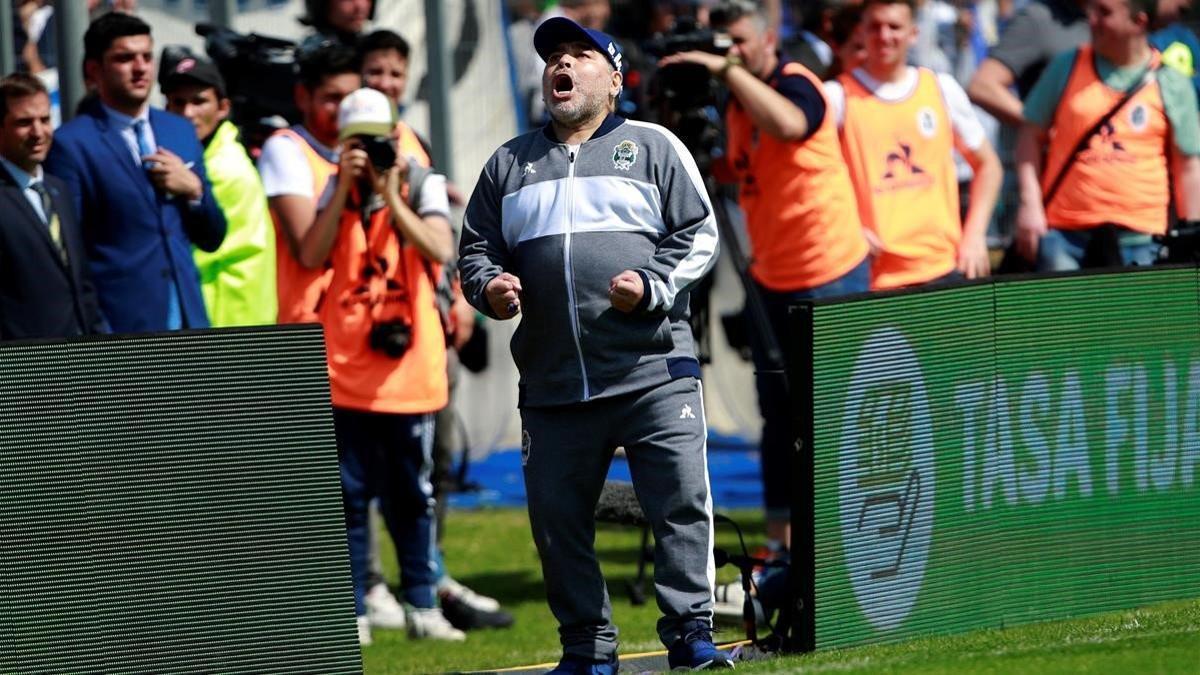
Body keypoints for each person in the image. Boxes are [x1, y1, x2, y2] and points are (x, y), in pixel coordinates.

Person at [460, 17, 728, 673]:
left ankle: (691, 635)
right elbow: (474, 251)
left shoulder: (656, 146)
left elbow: (700, 234)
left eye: (580, 55)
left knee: (680, 504)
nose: (563, 65)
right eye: (554, 56)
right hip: (553, 384)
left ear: (613, 79)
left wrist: (655, 285)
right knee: (557, 523)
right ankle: (586, 648)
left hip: (653, 371)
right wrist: (490, 287)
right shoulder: (507, 164)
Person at [659, 0, 869, 577]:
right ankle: (782, 543)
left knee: (828, 411)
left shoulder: (797, 82)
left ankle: (843, 534)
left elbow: (791, 125)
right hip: (770, 275)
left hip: (828, 271)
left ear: (769, 36)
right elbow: (738, 170)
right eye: (723, 43)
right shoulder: (735, 103)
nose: (732, 53)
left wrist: (727, 71)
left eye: (740, 42)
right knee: (776, 414)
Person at [357, 28, 514, 633]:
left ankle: (428, 572)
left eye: (395, 73)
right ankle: (373, 584)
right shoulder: (335, 152)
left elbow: (439, 245)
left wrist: (458, 306)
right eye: (375, 72)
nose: (386, 83)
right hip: (364, 341)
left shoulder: (412, 146)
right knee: (364, 474)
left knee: (433, 465)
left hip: (425, 330)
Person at [319, 87, 462, 645]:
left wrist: (390, 192)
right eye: (358, 143)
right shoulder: (333, 186)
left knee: (412, 496)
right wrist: (342, 190)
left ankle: (423, 604)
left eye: (377, 141)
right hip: (346, 369)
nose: (369, 152)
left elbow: (440, 247)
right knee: (349, 496)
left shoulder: (419, 180)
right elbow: (311, 254)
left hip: (410, 374)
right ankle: (354, 607)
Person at [45, 12, 225, 333]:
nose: (141, 67)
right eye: (125, 58)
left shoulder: (179, 130)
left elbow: (212, 237)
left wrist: (195, 191)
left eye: (146, 56)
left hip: (189, 318)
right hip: (122, 327)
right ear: (94, 70)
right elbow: (69, 253)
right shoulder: (72, 145)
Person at [826, 0, 1002, 290]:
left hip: (944, 266)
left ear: (913, 33)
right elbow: (812, 177)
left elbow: (988, 165)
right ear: (860, 32)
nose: (884, 36)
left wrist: (974, 235)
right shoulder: (836, 97)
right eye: (875, 27)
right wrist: (847, 226)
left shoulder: (940, 88)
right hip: (873, 276)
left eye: (894, 27)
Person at [1014, 0, 1200, 269]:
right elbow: (1029, 136)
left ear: (1139, 22)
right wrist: (1029, 205)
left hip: (1142, 240)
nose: (1092, 19)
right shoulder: (1066, 66)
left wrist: (1190, 233)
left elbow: (1189, 167)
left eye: (1105, 12)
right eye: (1092, 10)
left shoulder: (1170, 80)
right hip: (1066, 237)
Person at [161, 53, 277, 327]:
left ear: (223, 107)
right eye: (178, 102)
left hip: (230, 318)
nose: (188, 113)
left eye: (199, 101)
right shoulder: (205, 155)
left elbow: (191, 250)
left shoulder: (223, 167)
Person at [0, 73, 105, 340]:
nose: (38, 132)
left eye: (45, 120)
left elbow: (81, 281)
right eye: (24, 122)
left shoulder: (58, 189)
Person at [258, 43, 357, 325]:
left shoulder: (364, 148)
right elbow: (310, 254)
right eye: (332, 97)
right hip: (306, 325)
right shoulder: (286, 150)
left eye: (351, 98)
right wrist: (343, 185)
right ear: (303, 97)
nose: (344, 109)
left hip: (355, 326)